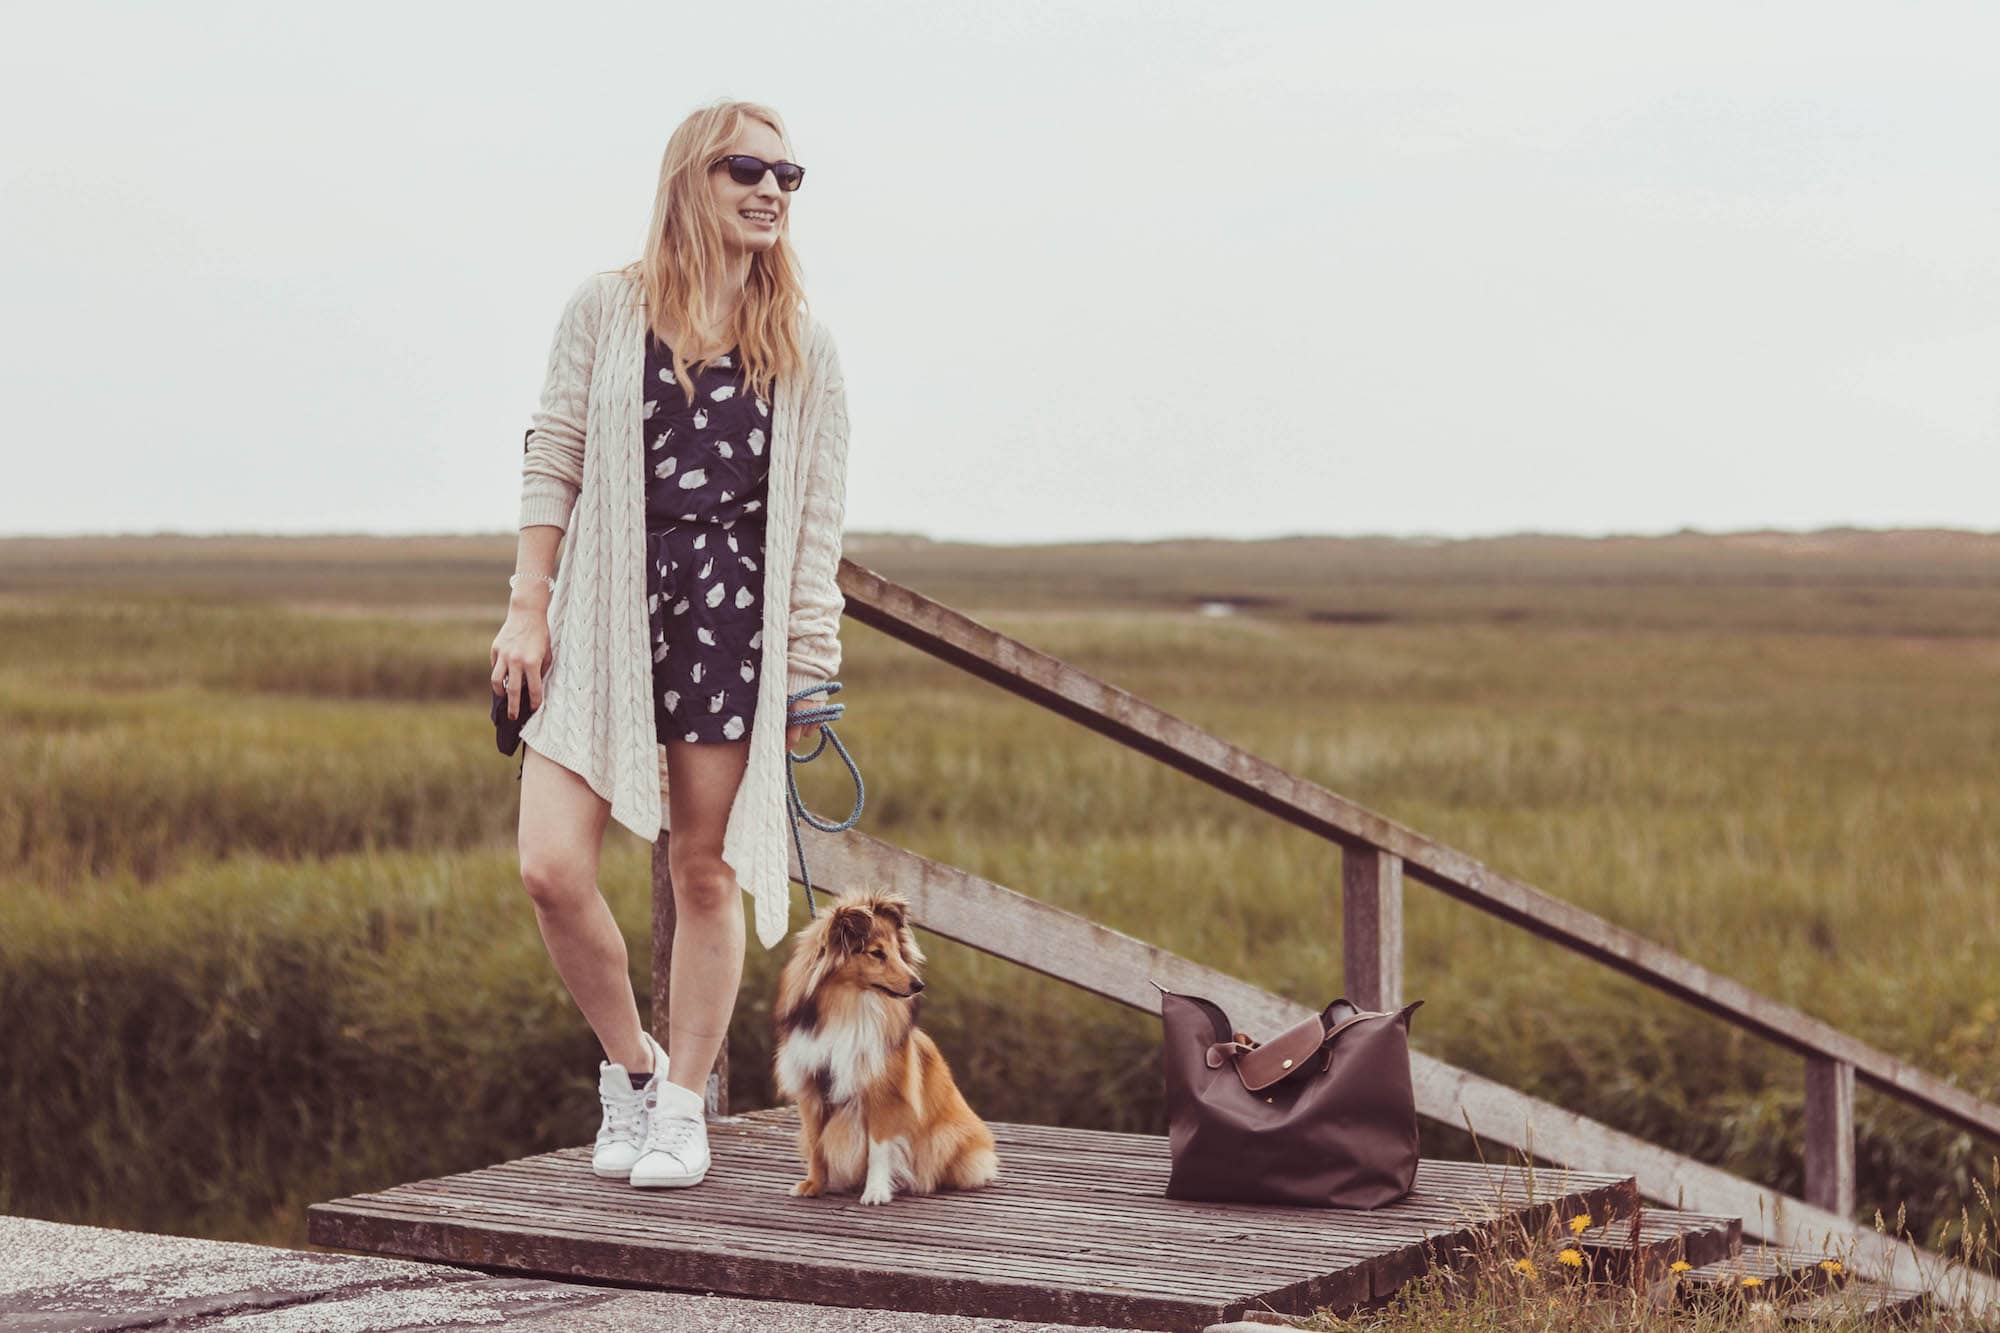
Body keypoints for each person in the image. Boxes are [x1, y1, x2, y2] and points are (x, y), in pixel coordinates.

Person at [488, 98, 850, 1191]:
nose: (769, 193)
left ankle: (683, 1108)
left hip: (725, 624)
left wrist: (807, 671)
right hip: (604, 618)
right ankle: (632, 1070)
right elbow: (553, 451)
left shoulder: (802, 344)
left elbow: (815, 527)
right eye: (747, 169)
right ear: (689, 177)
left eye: (789, 178)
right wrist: (527, 605)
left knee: (704, 872)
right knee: (550, 867)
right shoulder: (606, 309)